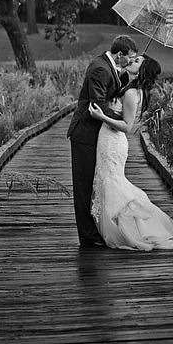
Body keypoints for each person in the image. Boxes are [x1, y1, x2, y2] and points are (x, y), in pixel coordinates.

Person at [88, 54, 173, 250]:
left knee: (112, 181)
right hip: (107, 139)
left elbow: (127, 126)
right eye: (134, 58)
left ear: (143, 70)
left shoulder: (133, 94)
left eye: (137, 61)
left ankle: (131, 228)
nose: (132, 60)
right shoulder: (128, 87)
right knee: (107, 180)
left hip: (113, 141)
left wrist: (100, 116)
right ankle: (117, 225)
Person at [67, 35, 138, 247]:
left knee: (93, 183)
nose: (132, 60)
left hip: (97, 134)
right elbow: (97, 103)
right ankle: (88, 237)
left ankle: (95, 231)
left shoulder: (110, 68)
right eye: (131, 57)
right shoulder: (100, 68)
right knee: (84, 185)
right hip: (85, 134)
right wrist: (123, 120)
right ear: (119, 55)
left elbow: (111, 93)